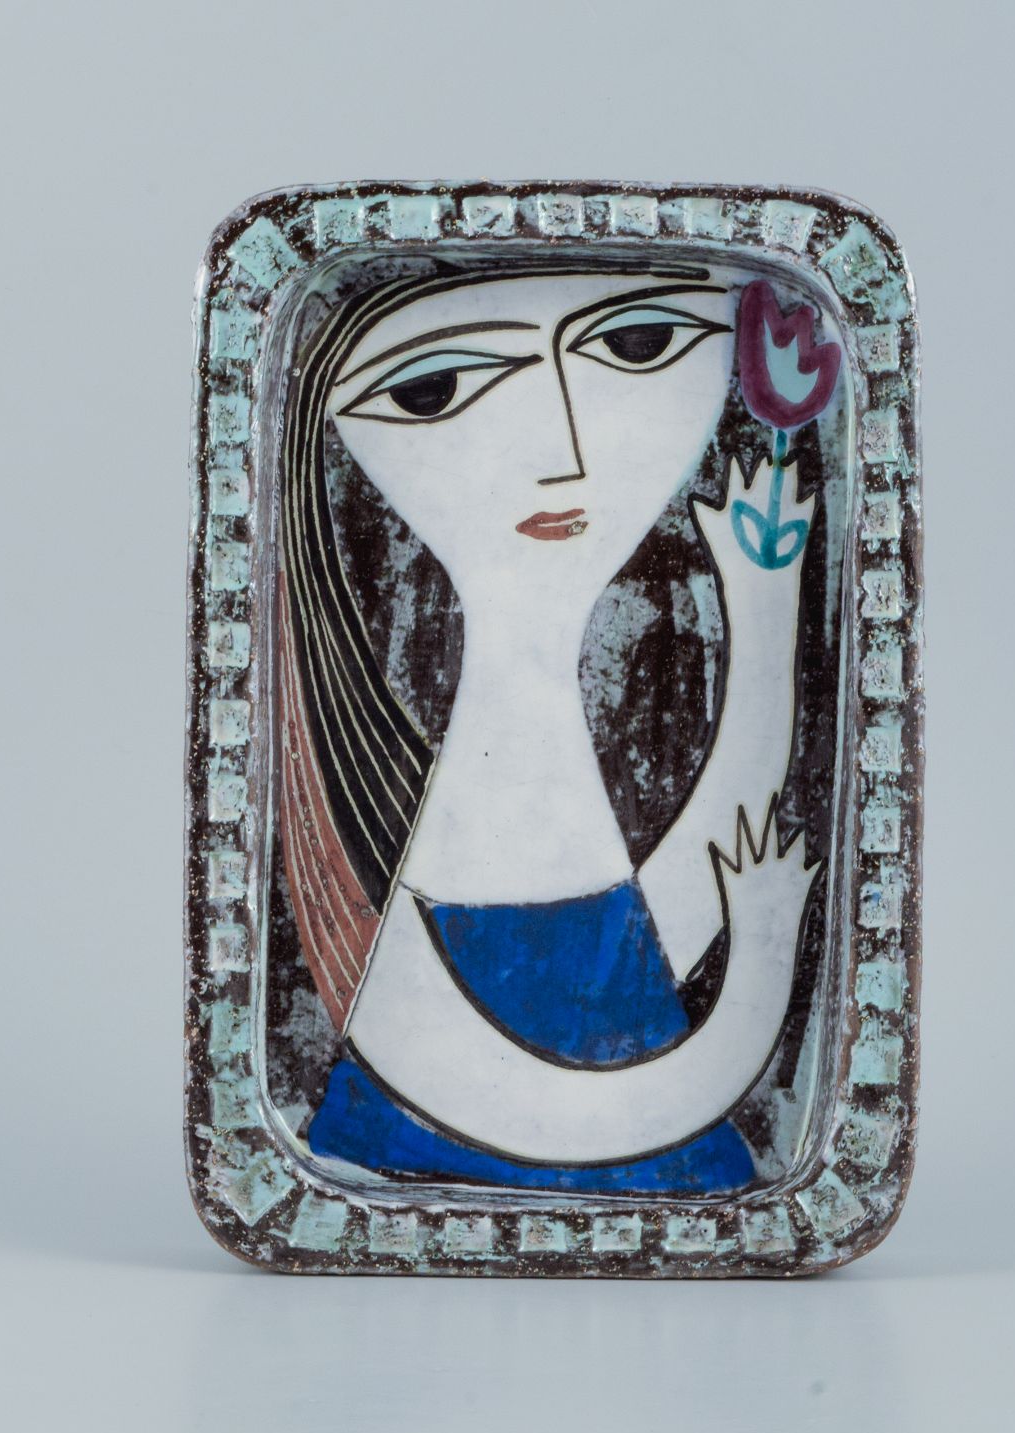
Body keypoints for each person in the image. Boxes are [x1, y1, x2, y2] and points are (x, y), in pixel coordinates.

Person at [278, 263, 825, 1194]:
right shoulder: (401, 893)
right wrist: (757, 986)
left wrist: (766, 610)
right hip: (420, 1179)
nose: (566, 453)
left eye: (639, 345)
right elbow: (558, 1120)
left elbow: (660, 927)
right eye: (433, 389)